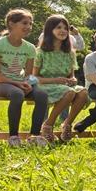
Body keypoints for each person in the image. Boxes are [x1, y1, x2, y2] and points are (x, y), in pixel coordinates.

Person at [0, 9, 48, 148]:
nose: (28, 27)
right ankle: (13, 137)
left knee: (42, 95)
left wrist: (28, 83)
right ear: (11, 24)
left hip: (20, 83)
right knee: (17, 94)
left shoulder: (30, 48)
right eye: (24, 23)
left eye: (30, 24)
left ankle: (34, 136)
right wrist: (18, 84)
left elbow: (29, 75)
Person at [34, 14, 89, 142]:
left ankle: (67, 124)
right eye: (58, 27)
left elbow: (71, 76)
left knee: (83, 92)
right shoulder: (40, 52)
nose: (63, 31)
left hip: (64, 86)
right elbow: (34, 78)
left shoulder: (70, 53)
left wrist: (73, 80)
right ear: (49, 30)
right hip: (45, 85)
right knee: (68, 92)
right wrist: (56, 80)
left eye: (65, 28)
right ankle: (48, 125)